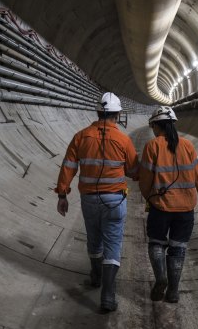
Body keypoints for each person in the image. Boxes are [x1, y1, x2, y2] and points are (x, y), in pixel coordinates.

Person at [55, 92, 139, 312]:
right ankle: (108, 296)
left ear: (97, 112)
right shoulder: (123, 139)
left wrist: (62, 195)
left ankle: (96, 276)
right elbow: (133, 170)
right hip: (115, 200)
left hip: (89, 199)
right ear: (118, 114)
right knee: (113, 244)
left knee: (94, 239)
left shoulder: (81, 136)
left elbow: (68, 167)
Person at [139, 105, 198, 303]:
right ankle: (173, 291)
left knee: (156, 243)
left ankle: (161, 278)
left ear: (156, 126)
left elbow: (145, 179)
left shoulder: (153, 146)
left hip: (161, 207)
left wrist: (150, 199)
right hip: (186, 209)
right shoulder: (188, 146)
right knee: (178, 248)